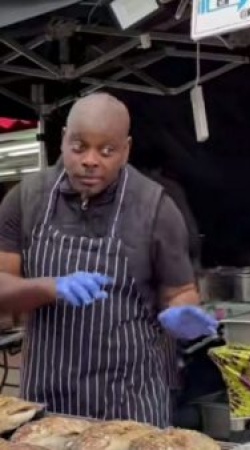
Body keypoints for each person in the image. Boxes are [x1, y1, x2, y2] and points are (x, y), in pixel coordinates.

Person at [0, 92, 218, 426]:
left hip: (131, 399)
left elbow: (180, 291)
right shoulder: (26, 198)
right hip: (48, 395)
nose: (90, 160)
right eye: (79, 147)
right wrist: (49, 287)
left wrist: (182, 313)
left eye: (106, 151)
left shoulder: (155, 208)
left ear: (126, 150)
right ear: (63, 140)